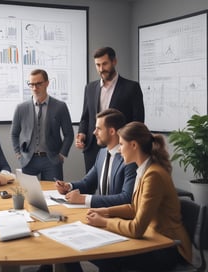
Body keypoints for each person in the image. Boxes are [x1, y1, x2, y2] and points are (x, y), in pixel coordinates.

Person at [71, 121, 192, 272]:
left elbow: (136, 229)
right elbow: (134, 208)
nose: (120, 151)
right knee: (90, 251)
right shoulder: (145, 170)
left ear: (134, 145)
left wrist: (104, 222)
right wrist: (105, 211)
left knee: (102, 254)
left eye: (121, 145)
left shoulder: (153, 174)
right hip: (154, 238)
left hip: (168, 248)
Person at [76, 46, 145, 173]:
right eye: (98, 65)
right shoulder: (90, 88)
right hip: (93, 147)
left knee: (116, 188)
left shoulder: (132, 87)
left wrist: (130, 143)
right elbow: (85, 117)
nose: (101, 69)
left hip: (120, 147)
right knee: (91, 185)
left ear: (114, 61)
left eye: (105, 64)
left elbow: (138, 121)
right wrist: (82, 134)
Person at [55, 108, 136, 207]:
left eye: (99, 129)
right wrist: (68, 186)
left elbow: (126, 198)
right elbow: (88, 183)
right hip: (99, 215)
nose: (94, 132)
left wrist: (84, 199)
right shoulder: (102, 153)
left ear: (112, 131)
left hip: (117, 218)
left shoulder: (130, 158)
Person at [11, 69, 74, 181]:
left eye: (38, 84)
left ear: (47, 83)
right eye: (31, 84)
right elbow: (14, 134)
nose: (35, 88)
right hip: (28, 160)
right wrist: (18, 154)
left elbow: (69, 134)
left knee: (54, 193)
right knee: (29, 195)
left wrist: (62, 155)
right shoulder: (21, 108)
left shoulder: (60, 106)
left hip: (52, 160)